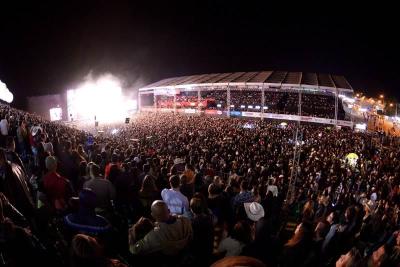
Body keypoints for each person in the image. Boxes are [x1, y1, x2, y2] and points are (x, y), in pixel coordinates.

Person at [0, 148, 34, 218]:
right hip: (28, 203)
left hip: (21, 209)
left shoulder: (7, 172)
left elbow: (12, 194)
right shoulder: (15, 165)